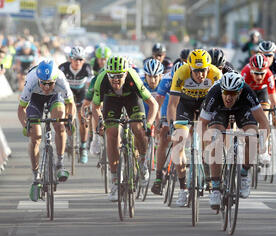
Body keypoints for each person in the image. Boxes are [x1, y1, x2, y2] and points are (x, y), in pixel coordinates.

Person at [92, 55, 159, 201]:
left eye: (120, 76)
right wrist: (99, 122)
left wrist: (148, 124)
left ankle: (142, 162)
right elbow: (95, 107)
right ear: (107, 73)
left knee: (137, 127)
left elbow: (153, 104)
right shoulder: (101, 80)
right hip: (112, 101)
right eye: (112, 76)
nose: (116, 79)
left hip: (132, 99)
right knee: (112, 133)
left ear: (126, 73)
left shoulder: (133, 78)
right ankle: (115, 181)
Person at [200, 72, 270, 208]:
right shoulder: (214, 93)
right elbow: (202, 123)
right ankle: (215, 188)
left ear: (239, 91)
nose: (228, 97)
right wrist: (206, 147)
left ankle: (244, 172)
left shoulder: (247, 93)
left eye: (232, 93)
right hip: (219, 111)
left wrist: (262, 145)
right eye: (226, 92)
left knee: (252, 136)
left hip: (242, 109)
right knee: (215, 140)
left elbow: (264, 122)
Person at [166, 49, 222, 207]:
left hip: (207, 103)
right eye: (196, 71)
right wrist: (171, 125)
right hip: (186, 105)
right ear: (189, 68)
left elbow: (223, 101)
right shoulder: (181, 73)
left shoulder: (216, 74)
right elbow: (172, 104)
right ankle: (183, 189)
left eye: (204, 70)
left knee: (209, 139)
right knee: (178, 142)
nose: (201, 75)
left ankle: (209, 170)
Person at [17, 59, 75, 201]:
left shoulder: (61, 79)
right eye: (43, 83)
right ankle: (36, 175)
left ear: (55, 79)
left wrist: (69, 120)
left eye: (50, 83)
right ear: (38, 79)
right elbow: (21, 109)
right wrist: (26, 125)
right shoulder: (31, 80)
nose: (47, 86)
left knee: (60, 124)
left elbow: (70, 104)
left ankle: (60, 162)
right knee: (35, 136)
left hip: (55, 98)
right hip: (35, 99)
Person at [150, 61, 186, 195]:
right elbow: (157, 103)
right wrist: (159, 121)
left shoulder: (191, 77)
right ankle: (159, 176)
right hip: (168, 105)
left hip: (185, 105)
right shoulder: (166, 80)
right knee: (164, 137)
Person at [241, 54, 276, 163]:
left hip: (262, 92)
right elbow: (239, 97)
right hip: (248, 91)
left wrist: (275, 114)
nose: (259, 77)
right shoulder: (245, 73)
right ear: (251, 70)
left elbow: (273, 99)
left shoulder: (269, 74)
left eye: (261, 74)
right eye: (256, 74)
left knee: (265, 116)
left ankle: (263, 148)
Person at [59, 46, 94, 164]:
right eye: (75, 59)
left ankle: (83, 147)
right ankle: (68, 137)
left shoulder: (87, 68)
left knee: (83, 119)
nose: (78, 62)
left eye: (81, 59)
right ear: (70, 59)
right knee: (64, 116)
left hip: (81, 92)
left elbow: (91, 84)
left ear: (84, 60)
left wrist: (90, 100)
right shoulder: (63, 68)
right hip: (67, 92)